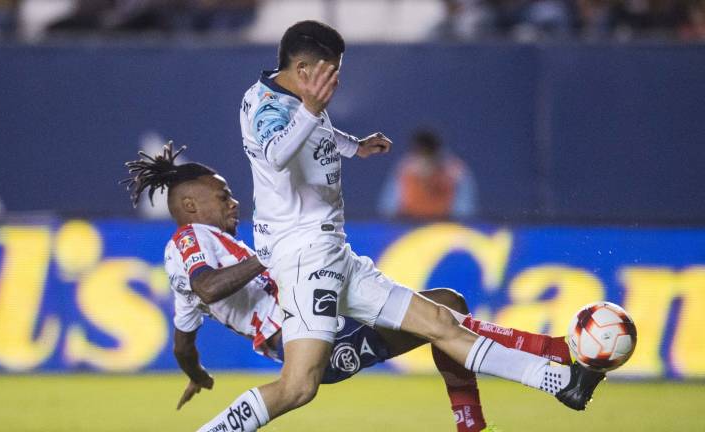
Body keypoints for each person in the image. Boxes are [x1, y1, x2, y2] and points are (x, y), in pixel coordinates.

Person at [207, 20, 609, 432]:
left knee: (440, 323)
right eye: (331, 72)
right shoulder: (271, 108)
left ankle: (565, 383)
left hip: (334, 254)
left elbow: (315, 135)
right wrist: (310, 109)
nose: (336, 81)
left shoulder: (293, 96)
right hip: (304, 259)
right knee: (297, 387)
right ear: (304, 69)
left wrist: (354, 146)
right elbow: (276, 154)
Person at [122, 143, 575, 432]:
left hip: (324, 315)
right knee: (302, 386)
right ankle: (551, 355)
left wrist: (197, 374)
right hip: (306, 334)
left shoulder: (219, 248)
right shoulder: (190, 240)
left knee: (444, 308)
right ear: (189, 205)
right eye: (223, 196)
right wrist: (272, 255)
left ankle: (474, 420)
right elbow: (207, 288)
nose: (234, 202)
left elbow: (183, 342)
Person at [378, 129, 477, 220]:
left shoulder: (456, 173)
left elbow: (464, 212)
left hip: (445, 227)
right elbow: (388, 209)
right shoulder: (404, 170)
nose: (424, 161)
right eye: (420, 154)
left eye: (428, 154)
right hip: (409, 225)